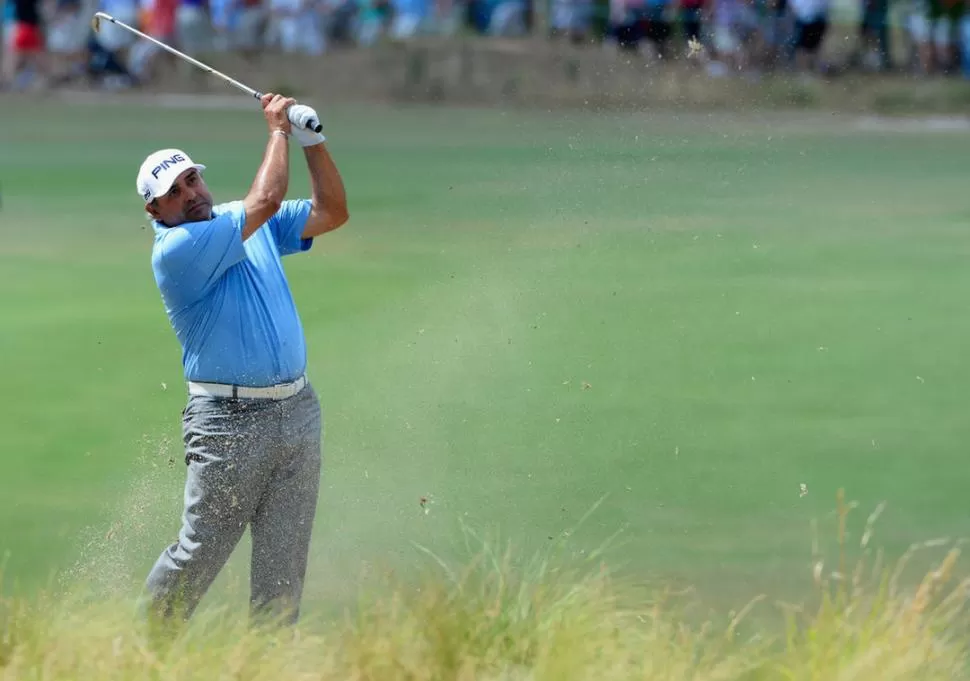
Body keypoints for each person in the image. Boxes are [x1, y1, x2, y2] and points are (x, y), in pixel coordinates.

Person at [136, 93, 349, 632]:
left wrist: (314, 141)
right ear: (155, 211)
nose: (190, 194)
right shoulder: (176, 250)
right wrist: (279, 130)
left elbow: (332, 213)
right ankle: (141, 652)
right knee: (198, 555)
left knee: (283, 573)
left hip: (298, 412)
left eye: (191, 180)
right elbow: (269, 198)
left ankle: (265, 665)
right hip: (229, 424)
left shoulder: (239, 218)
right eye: (173, 192)